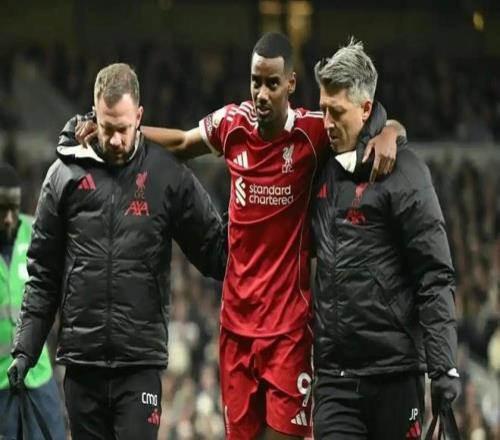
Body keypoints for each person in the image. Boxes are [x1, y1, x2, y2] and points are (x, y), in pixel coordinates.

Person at [64, 33, 404, 440]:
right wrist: (127, 129)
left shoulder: (312, 134)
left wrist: (392, 131)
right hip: (236, 327)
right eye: (255, 81)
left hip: (289, 330)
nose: (261, 93)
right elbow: (183, 142)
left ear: (291, 83)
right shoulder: (232, 124)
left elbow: (367, 118)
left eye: (272, 83)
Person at [8, 63, 227, 440]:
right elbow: (43, 275)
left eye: (123, 129)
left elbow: (216, 253)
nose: (113, 139)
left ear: (139, 117)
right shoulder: (63, 175)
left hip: (139, 367)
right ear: (93, 116)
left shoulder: (166, 173)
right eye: (106, 128)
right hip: (82, 367)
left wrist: (252, 205)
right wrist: (24, 351)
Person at [310, 39, 459, 440]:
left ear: (364, 108)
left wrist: (443, 366)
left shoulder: (406, 173)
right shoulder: (320, 165)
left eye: (336, 111)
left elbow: (434, 274)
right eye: (323, 109)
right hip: (335, 380)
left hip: (395, 375)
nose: (326, 122)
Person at [0, 163, 66, 440]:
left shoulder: (36, 231)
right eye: (1, 210)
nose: (8, 218)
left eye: (13, 209)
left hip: (37, 371)